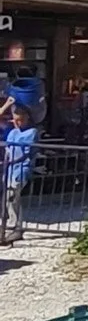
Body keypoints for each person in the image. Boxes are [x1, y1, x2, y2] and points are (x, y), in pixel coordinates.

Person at [1, 102, 36, 246]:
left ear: (26, 117)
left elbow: (27, 153)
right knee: (7, 198)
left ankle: (16, 226)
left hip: (21, 169)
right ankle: (9, 224)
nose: (17, 123)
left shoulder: (32, 132)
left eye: (19, 120)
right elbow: (8, 150)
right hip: (9, 169)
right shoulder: (13, 132)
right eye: (15, 120)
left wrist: (12, 161)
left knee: (13, 195)